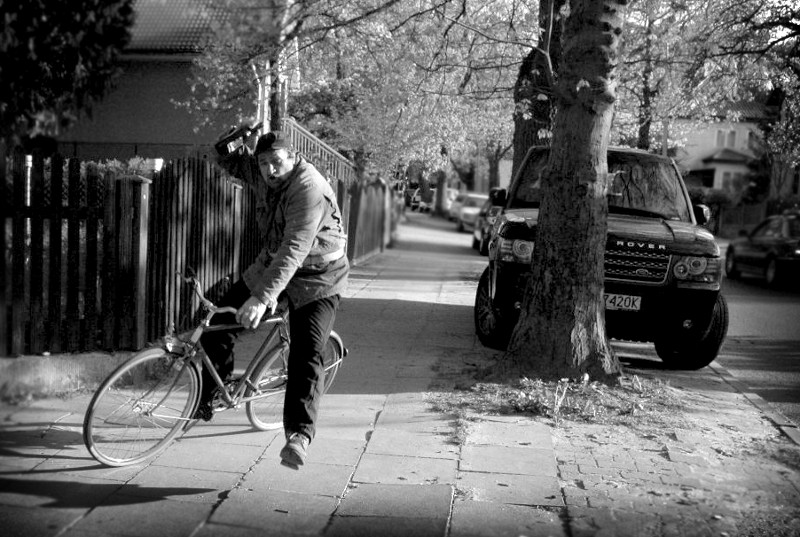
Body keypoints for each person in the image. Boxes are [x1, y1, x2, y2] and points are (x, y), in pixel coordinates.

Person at [198, 129, 349, 470]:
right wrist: (229, 143)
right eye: (264, 163)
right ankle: (211, 394)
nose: (269, 170)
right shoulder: (265, 174)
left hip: (318, 278)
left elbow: (294, 247)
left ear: (294, 158)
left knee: (306, 352)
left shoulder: (308, 188)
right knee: (218, 324)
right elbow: (233, 163)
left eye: (276, 162)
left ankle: (299, 436)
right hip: (273, 264)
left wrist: (262, 298)